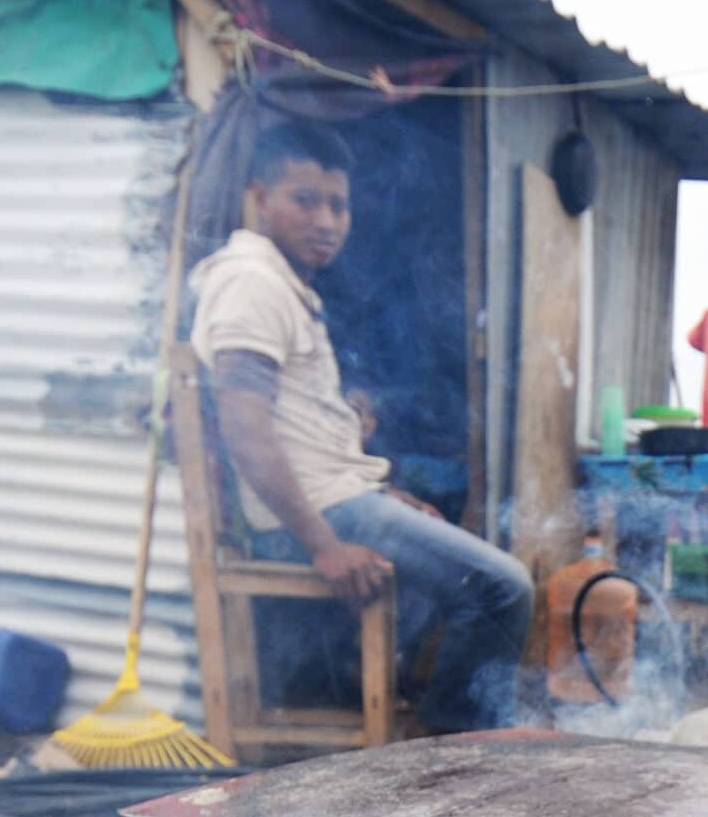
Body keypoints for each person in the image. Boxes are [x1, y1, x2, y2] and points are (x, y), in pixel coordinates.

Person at [190, 119, 532, 732]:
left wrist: (381, 493)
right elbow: (246, 431)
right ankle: (455, 743)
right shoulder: (251, 282)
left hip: (338, 498)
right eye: (305, 201)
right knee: (502, 590)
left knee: (436, 545)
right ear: (259, 198)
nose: (326, 221)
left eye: (339, 206)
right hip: (310, 518)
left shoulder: (283, 285)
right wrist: (324, 544)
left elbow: (297, 430)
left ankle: (373, 695)